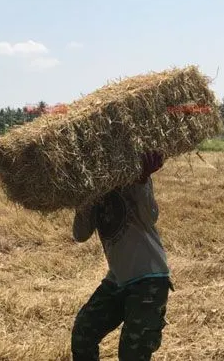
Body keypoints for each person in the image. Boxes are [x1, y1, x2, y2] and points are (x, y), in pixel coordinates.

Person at [70, 151, 172, 361]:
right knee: (83, 332)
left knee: (132, 354)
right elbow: (80, 235)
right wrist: (84, 199)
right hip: (116, 279)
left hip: (148, 280)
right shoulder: (93, 190)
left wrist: (142, 179)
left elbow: (151, 215)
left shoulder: (132, 176)